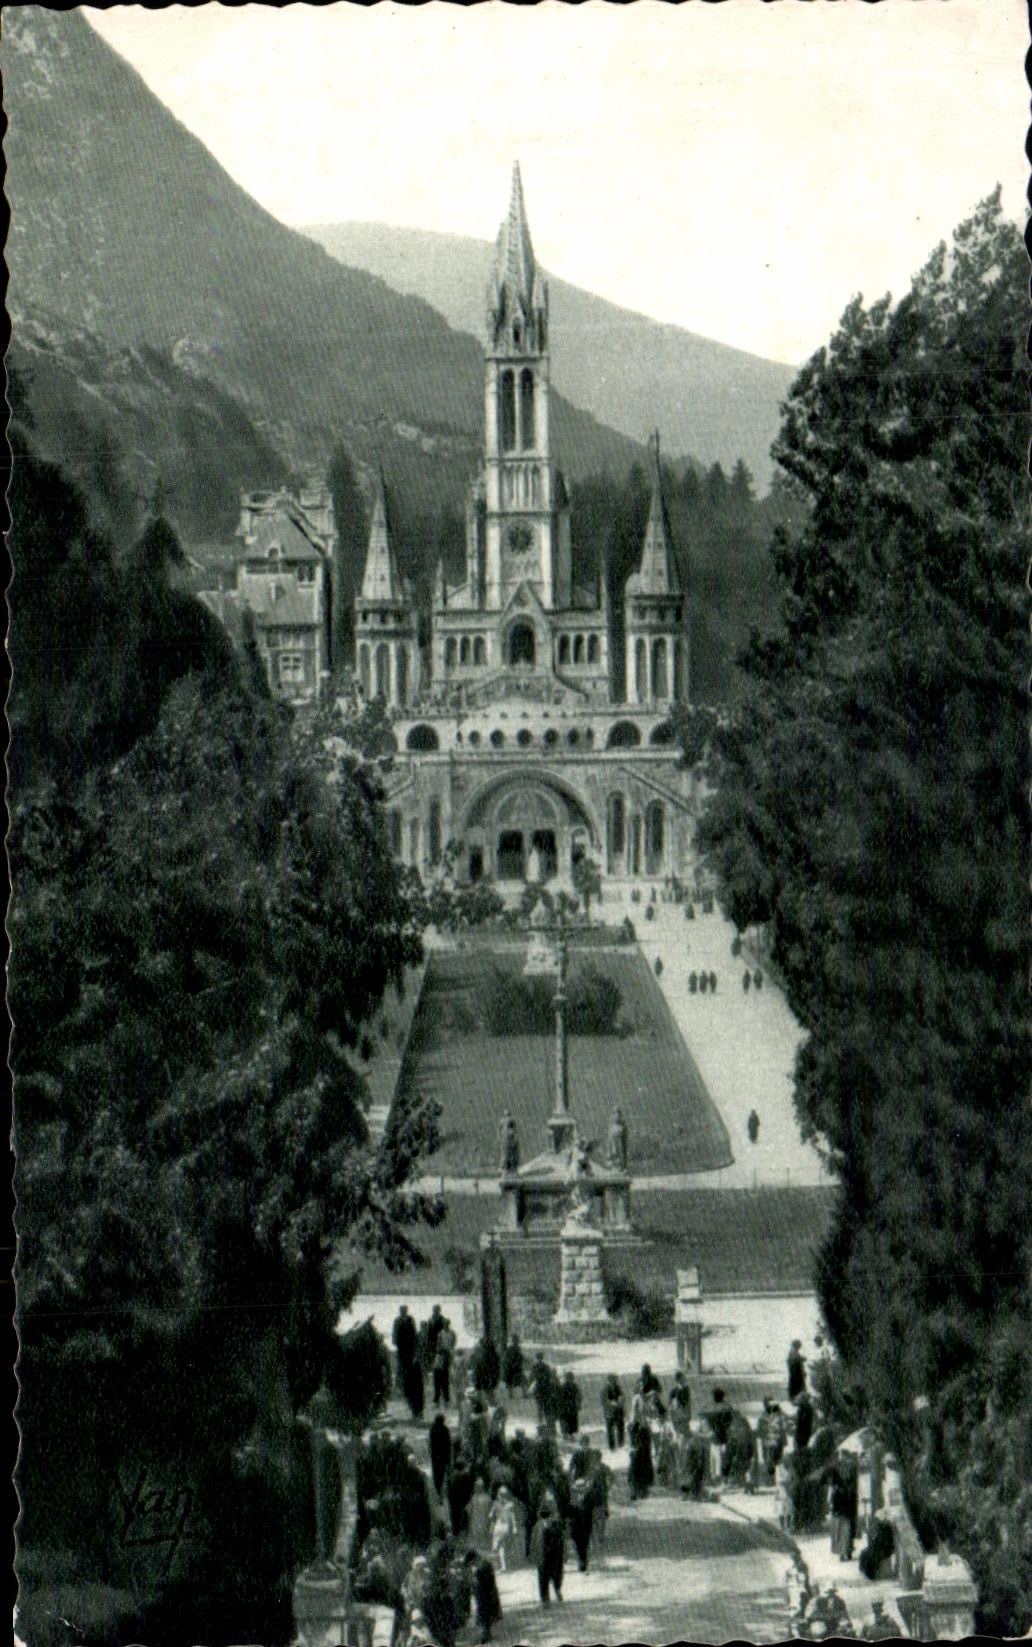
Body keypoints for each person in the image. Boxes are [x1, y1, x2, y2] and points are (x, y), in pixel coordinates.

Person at [530, 1492, 565, 1607]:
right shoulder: (551, 1526)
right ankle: (545, 1599)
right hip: (544, 1557)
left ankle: (555, 1592)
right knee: (544, 1578)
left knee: (553, 1576)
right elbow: (534, 1543)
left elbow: (533, 1543)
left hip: (550, 1556)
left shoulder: (542, 1526)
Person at [465, 1551, 501, 1645]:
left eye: (471, 1563)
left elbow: (480, 1583)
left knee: (484, 1614)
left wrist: (473, 1585)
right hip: (488, 1593)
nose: (472, 1565)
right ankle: (486, 1633)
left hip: (485, 1595)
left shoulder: (481, 1567)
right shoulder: (485, 1564)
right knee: (486, 1615)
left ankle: (485, 1634)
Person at [829, 1452, 859, 1561]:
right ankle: (848, 1550)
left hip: (839, 1501)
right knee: (848, 1527)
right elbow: (854, 1486)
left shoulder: (835, 1467)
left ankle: (842, 1552)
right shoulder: (853, 1467)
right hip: (848, 1501)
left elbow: (832, 1486)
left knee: (840, 1528)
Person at [628, 1396, 654, 1501]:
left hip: (643, 1436)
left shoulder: (645, 1423)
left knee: (644, 1461)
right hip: (638, 1438)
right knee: (636, 1462)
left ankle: (642, 1489)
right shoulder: (633, 1423)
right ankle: (636, 1488)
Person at [490, 1485, 521, 1573]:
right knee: (502, 1546)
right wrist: (514, 1527)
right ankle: (503, 1566)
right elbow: (512, 1516)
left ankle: (494, 1567)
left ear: (499, 1494)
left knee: (495, 1547)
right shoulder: (510, 1505)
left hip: (498, 1526)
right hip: (506, 1527)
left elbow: (490, 1515)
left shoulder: (496, 1504)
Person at [429, 1411, 452, 1498]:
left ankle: (438, 1488)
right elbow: (448, 1443)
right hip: (443, 1455)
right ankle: (442, 1487)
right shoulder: (445, 1429)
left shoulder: (433, 1429)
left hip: (435, 1455)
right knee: (442, 1472)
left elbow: (431, 1443)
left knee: (436, 1472)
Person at [467, 1479, 493, 1554]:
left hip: (477, 1519)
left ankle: (480, 1547)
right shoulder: (487, 1498)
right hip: (482, 1519)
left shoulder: (474, 1498)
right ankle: (482, 1546)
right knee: (482, 1531)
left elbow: (468, 1510)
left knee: (478, 1532)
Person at [433, 1321, 455, 1407]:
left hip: (448, 1352)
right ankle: (437, 1401)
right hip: (442, 1355)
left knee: (445, 1383)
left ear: (449, 1324)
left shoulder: (452, 1333)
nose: (446, 1325)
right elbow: (438, 1343)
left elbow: (453, 1342)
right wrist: (440, 1349)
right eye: (445, 1324)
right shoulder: (440, 1333)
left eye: (447, 1324)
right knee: (438, 1385)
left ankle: (446, 1401)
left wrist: (449, 1351)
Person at [394, 1303, 418, 1380]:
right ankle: (401, 1380)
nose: (403, 1312)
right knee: (401, 1363)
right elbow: (394, 1332)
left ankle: (410, 1380)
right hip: (401, 1345)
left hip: (410, 1346)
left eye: (404, 1310)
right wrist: (395, 1342)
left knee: (410, 1364)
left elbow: (414, 1332)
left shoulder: (411, 1319)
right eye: (402, 1310)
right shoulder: (397, 1320)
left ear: (407, 1311)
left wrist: (415, 1344)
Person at [558, 1369, 581, 1438]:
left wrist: (578, 1403)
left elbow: (578, 1396)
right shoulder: (565, 1386)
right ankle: (566, 1434)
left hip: (569, 1406)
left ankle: (569, 1434)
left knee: (570, 1420)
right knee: (567, 1420)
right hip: (568, 1406)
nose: (570, 1379)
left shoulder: (573, 1386)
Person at [501, 1334, 525, 1399]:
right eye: (516, 1340)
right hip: (514, 1368)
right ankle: (524, 1394)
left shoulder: (510, 1349)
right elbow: (520, 1358)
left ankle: (511, 1396)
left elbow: (505, 1359)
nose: (517, 1342)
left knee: (510, 1383)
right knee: (521, 1381)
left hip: (511, 1367)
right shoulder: (515, 1349)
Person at [669, 1370, 692, 1435]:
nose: (684, 1378)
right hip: (678, 1413)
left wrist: (689, 1413)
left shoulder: (686, 1389)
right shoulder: (674, 1390)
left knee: (685, 1432)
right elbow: (670, 1405)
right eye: (682, 1377)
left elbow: (688, 1402)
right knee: (680, 1432)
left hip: (683, 1412)